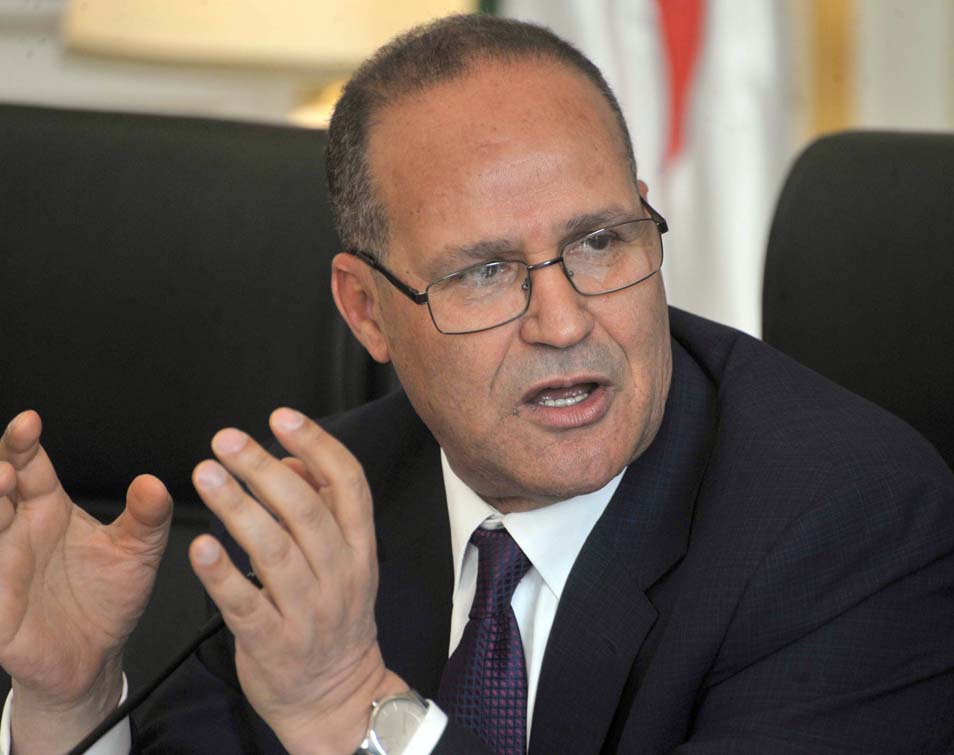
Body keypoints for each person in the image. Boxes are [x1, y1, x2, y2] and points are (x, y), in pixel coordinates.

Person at [2, 13, 953, 755]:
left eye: (599, 241)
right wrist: (67, 703)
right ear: (366, 310)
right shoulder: (321, 516)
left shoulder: (849, 526)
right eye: (486, 272)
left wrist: (357, 710)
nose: (565, 321)